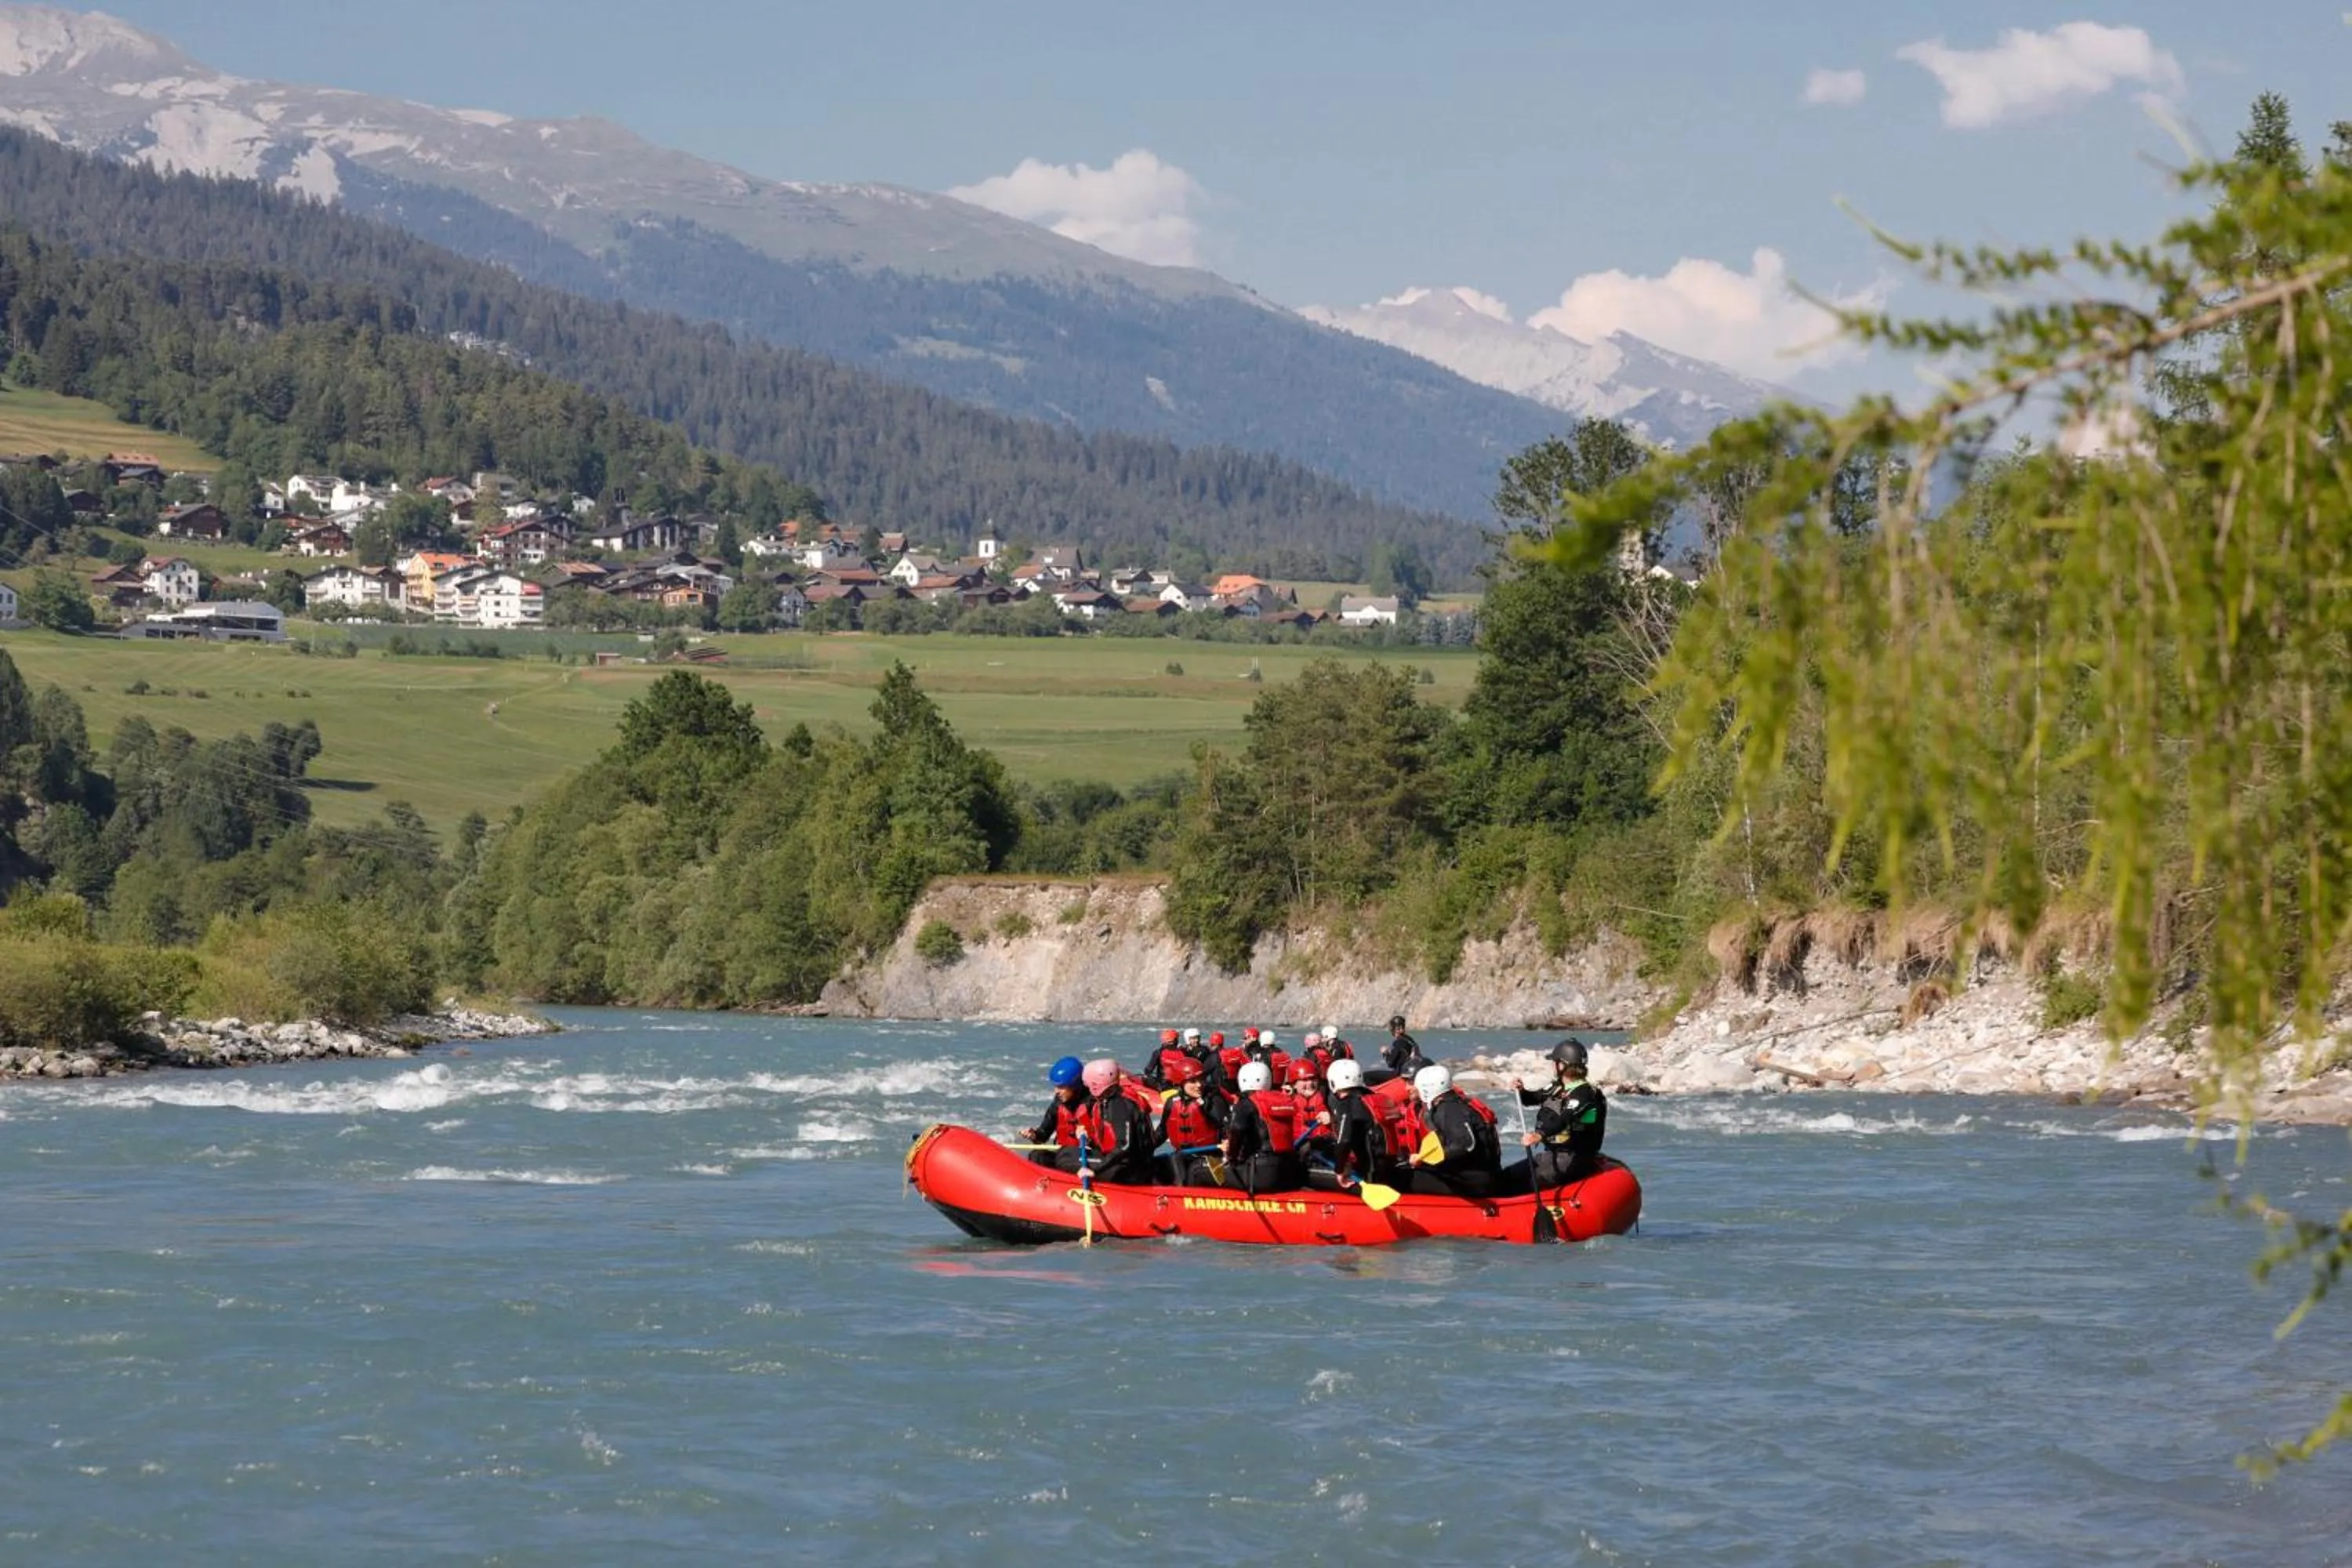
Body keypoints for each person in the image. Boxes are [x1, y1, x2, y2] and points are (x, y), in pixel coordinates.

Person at [1514, 1038, 1609, 1189]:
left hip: (1573, 1158)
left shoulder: (1585, 1094)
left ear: (1562, 1065)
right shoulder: (1557, 1086)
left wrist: (1540, 1135)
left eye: (1555, 1062)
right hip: (1552, 1154)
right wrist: (1521, 1091)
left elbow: (1565, 1119)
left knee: (1525, 1183)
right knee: (1508, 1176)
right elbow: (1533, 1098)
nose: (1553, 1065)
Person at [1404, 1063, 1501, 1199]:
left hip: (1474, 1182)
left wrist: (1427, 1158)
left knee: (1406, 1178)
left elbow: (1466, 1143)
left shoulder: (1448, 1110)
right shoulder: (1454, 1104)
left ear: (1428, 1089)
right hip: (1476, 1176)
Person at [1314, 1057, 1398, 1191]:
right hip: (1389, 1170)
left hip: (1369, 1177)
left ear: (1333, 1082)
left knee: (1307, 1173)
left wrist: (1340, 1170)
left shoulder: (1345, 1104)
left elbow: (1344, 1140)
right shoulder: (1373, 1098)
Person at [1221, 1060, 1302, 1193]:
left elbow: (1237, 1129)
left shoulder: (1245, 1104)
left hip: (1261, 1175)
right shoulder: (1284, 1099)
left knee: (1198, 1171)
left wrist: (1231, 1157)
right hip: (1289, 1172)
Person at [1079, 1058, 1156, 1185]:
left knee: (1069, 1162)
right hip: (1127, 1163)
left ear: (1095, 1084)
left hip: (1133, 1170)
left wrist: (1095, 1170)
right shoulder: (1111, 1099)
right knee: (1070, 1153)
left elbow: (1124, 1145)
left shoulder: (1119, 1106)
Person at [1156, 1065, 1229, 1186]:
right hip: (1184, 1156)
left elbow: (1226, 1128)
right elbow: (1162, 1132)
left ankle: (1181, 1196)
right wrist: (1143, 1149)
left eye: (1201, 1080)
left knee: (1178, 1160)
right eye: (1193, 1081)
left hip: (1210, 1158)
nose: (1199, 1085)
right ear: (1181, 1082)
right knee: (1158, 1165)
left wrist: (1228, 1141)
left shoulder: (1214, 1100)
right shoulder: (1171, 1103)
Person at [1020, 1056, 1092, 1173]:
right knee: (1037, 1156)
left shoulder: (1093, 1104)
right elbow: (1042, 1136)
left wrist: (1088, 1138)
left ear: (1075, 1085)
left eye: (1061, 1087)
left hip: (1086, 1158)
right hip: (1064, 1156)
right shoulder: (1058, 1104)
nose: (1056, 1091)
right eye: (1055, 1087)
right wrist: (1034, 1135)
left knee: (1068, 1159)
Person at [1382, 1014, 1432, 1080]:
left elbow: (1390, 1064)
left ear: (1393, 1030)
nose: (1401, 1031)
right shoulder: (1410, 1039)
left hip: (1402, 1075)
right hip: (1413, 1071)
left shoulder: (1398, 1043)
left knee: (1367, 1076)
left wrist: (1385, 1053)